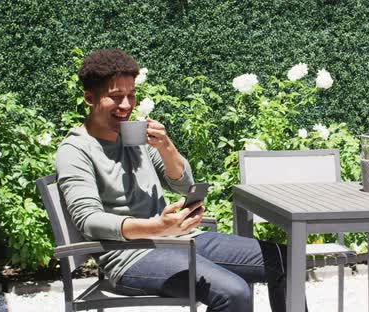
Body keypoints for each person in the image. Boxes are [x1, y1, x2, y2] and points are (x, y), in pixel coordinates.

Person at [55, 48, 300, 312]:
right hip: (131, 257)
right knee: (233, 292)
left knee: (287, 261)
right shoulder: (75, 150)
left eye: (131, 95)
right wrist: (157, 227)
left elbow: (183, 186)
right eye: (116, 97)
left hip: (177, 238)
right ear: (90, 98)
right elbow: (89, 220)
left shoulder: (134, 137)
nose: (126, 105)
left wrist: (166, 146)